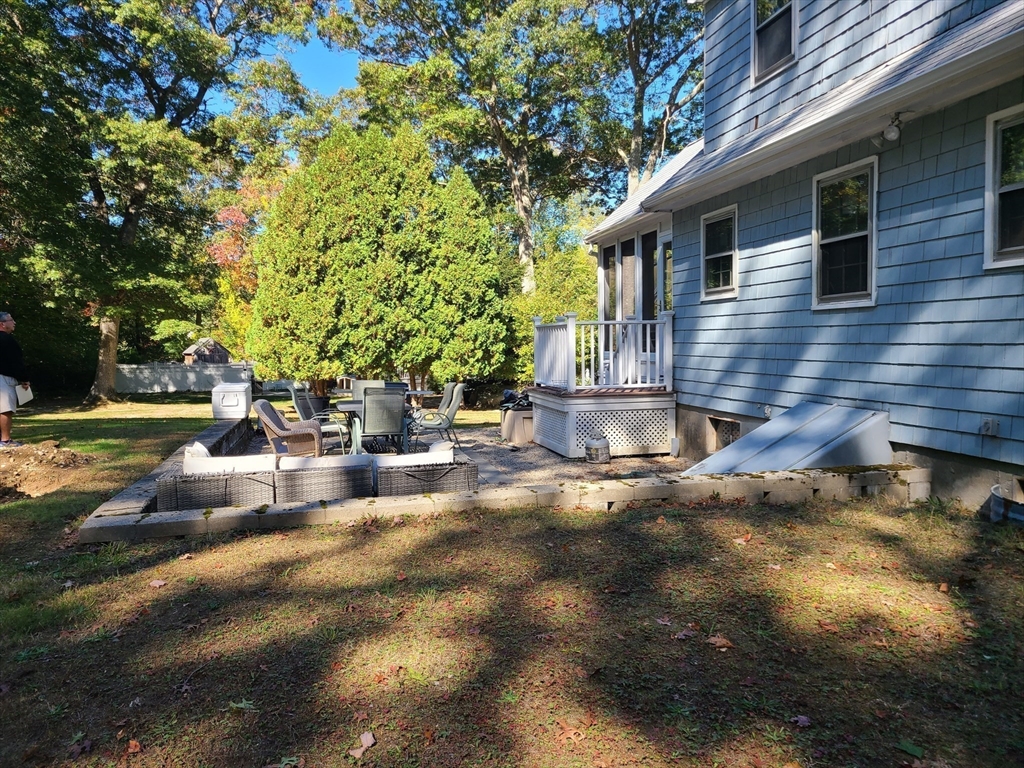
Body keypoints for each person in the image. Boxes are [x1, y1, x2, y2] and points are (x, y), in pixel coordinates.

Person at [0, 311, 30, 448]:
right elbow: (16, 362)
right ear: (2, 324)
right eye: (11, 320)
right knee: (5, 409)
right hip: (4, 379)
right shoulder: (7, 340)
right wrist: (24, 379)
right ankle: (5, 440)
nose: (14, 322)